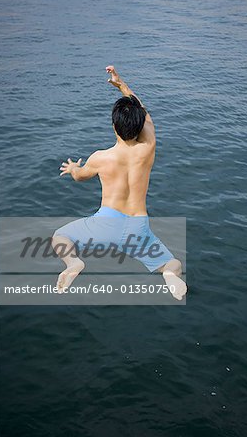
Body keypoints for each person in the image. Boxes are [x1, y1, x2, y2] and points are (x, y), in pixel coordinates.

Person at [52, 66, 187, 300]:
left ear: (114, 126)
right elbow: (144, 113)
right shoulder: (148, 148)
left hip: (105, 223)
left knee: (59, 238)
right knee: (172, 265)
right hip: (138, 227)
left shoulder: (100, 158)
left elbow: (80, 177)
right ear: (141, 125)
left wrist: (73, 168)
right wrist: (122, 85)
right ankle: (169, 276)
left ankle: (73, 264)